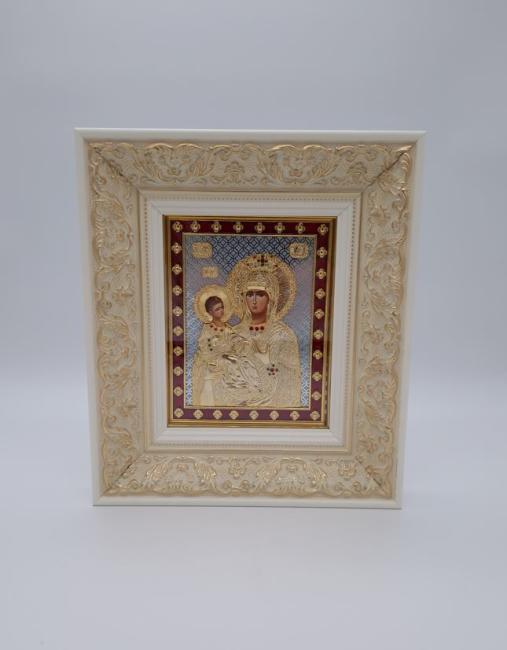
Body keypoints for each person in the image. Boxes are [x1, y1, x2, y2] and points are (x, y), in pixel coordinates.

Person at [226, 253, 301, 407]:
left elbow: (289, 378)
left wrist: (261, 359)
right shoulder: (234, 332)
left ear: (270, 298)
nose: (253, 300)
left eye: (260, 294)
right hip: (238, 402)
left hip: (274, 403)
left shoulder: (282, 334)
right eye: (249, 294)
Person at [191, 286, 266, 406]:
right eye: (217, 309)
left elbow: (233, 337)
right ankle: (239, 393)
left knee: (245, 361)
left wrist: (242, 342)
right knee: (231, 361)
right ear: (210, 312)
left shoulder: (226, 326)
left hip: (229, 354)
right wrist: (217, 348)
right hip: (214, 358)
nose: (221, 311)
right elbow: (204, 346)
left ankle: (253, 390)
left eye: (222, 307)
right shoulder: (207, 328)